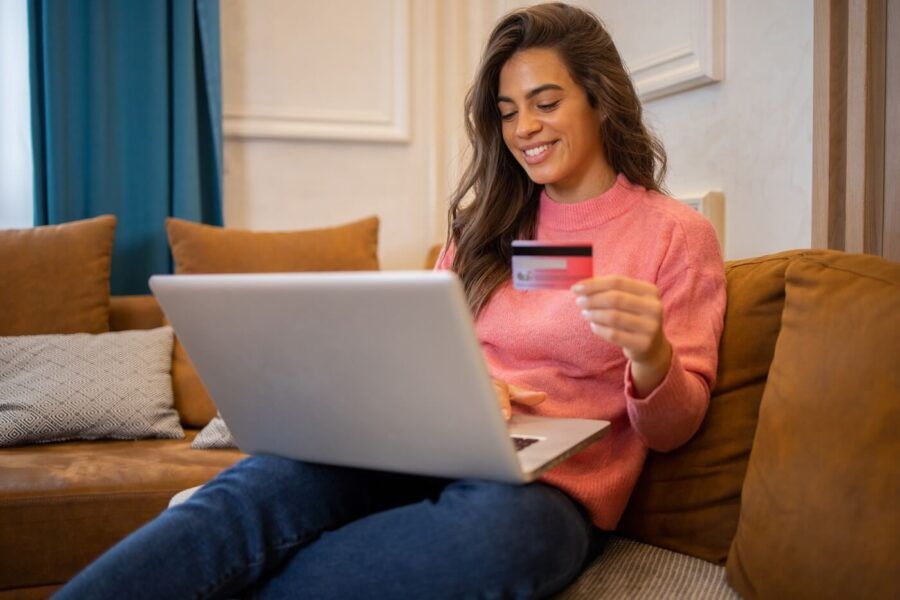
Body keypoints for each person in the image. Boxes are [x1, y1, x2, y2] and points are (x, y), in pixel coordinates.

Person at [56, 3, 725, 599]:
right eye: (507, 110)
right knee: (254, 489)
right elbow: (423, 348)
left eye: (546, 103)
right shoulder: (486, 228)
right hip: (422, 445)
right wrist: (462, 388)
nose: (525, 128)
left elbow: (675, 427)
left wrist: (651, 355)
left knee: (494, 543)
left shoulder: (673, 236)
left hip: (547, 489)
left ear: (599, 99)